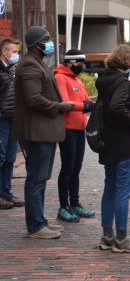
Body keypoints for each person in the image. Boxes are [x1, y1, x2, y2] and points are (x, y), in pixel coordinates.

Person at [12, 26, 74, 239]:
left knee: (40, 178)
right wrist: (60, 106)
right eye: (47, 39)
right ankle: (36, 226)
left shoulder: (37, 62)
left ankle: (40, 221)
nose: (50, 43)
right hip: (36, 132)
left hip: (44, 132)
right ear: (37, 43)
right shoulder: (29, 64)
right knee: (36, 179)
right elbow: (33, 99)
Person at [95, 45, 130, 253]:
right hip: (123, 141)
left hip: (108, 140)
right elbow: (117, 107)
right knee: (123, 191)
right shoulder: (122, 82)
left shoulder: (104, 80)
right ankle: (122, 238)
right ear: (127, 62)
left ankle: (108, 236)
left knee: (110, 188)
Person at [54, 49, 96, 222]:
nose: (81, 67)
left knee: (76, 168)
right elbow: (66, 103)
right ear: (70, 63)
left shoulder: (77, 79)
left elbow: (89, 102)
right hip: (67, 129)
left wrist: (84, 105)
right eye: (79, 64)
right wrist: (84, 106)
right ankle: (63, 206)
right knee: (67, 168)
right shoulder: (60, 78)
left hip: (80, 128)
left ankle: (75, 204)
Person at [0, 39, 23, 210]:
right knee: (0, 158)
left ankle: (7, 192)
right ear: (4, 52)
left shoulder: (13, 69)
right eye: (14, 51)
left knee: (10, 158)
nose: (16, 54)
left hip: (13, 119)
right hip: (1, 120)